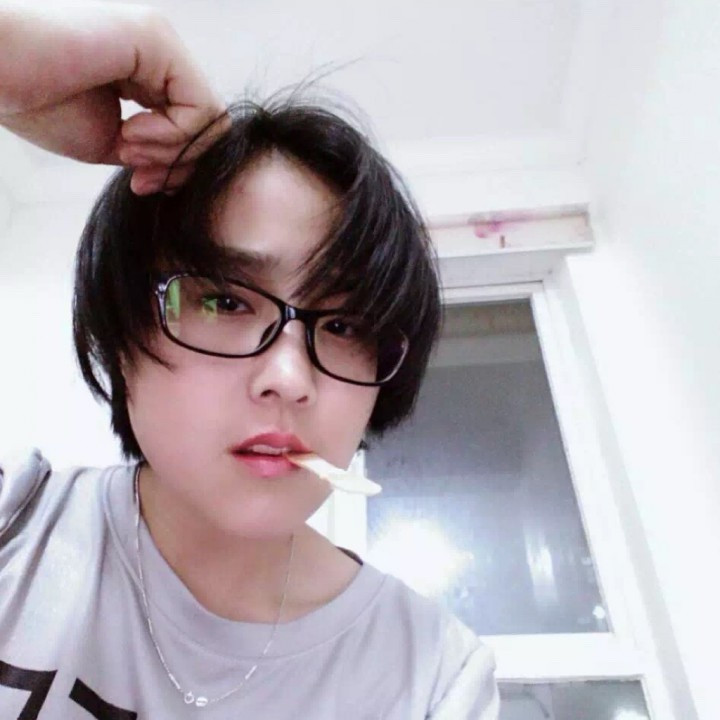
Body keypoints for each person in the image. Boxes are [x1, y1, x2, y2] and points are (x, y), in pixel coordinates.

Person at [0, 3, 499, 718]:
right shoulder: (17, 521)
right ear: (122, 329)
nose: (290, 380)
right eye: (225, 301)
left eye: (346, 324)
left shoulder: (432, 678)